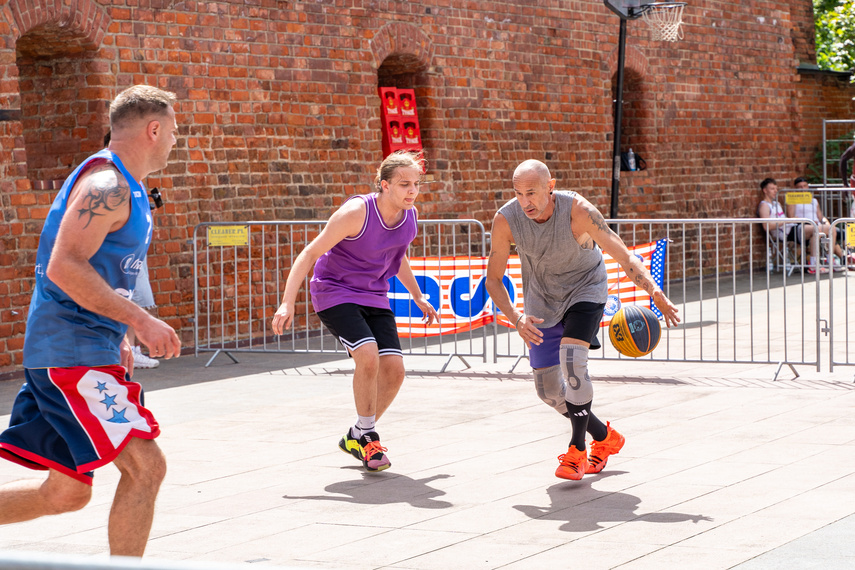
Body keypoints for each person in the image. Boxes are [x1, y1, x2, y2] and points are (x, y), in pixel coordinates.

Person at [0, 85, 181, 556]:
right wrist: (141, 321)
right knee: (147, 467)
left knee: (65, 493)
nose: (176, 141)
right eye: (174, 131)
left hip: (81, 349)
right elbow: (65, 266)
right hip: (70, 354)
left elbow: (106, 272)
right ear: (153, 129)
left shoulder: (129, 187)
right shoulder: (108, 186)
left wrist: (120, 331)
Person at [485, 159, 680, 481]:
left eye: (531, 193)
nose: (525, 201)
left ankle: (577, 451)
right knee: (548, 391)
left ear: (550, 187)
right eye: (518, 193)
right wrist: (517, 318)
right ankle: (605, 437)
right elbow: (493, 279)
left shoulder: (578, 211)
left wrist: (653, 290)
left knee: (572, 361)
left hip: (585, 290)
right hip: (542, 301)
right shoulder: (507, 219)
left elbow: (622, 254)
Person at [271, 150, 438, 472]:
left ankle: (358, 433)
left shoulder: (409, 216)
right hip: (334, 291)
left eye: (416, 184)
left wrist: (417, 296)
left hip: (374, 295)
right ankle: (369, 434)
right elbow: (309, 252)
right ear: (384, 185)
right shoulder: (356, 212)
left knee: (395, 370)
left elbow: (397, 256)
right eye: (404, 184)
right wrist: (286, 301)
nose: (413, 190)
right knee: (368, 354)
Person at [756, 178, 819, 273]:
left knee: (818, 230)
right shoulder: (764, 206)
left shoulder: (777, 204)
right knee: (814, 229)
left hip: (790, 228)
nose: (775, 191)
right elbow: (766, 226)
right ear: (765, 190)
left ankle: (815, 263)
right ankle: (814, 264)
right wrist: (787, 220)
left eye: (776, 188)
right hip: (783, 233)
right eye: (772, 189)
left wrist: (790, 220)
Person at [786, 177, 848, 271]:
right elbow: (791, 217)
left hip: (817, 225)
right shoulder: (792, 200)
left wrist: (827, 223)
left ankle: (831, 260)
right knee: (817, 229)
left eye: (804, 186)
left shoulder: (813, 200)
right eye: (800, 187)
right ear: (795, 188)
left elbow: (820, 216)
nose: (803, 189)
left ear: (808, 187)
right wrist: (807, 221)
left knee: (832, 229)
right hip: (801, 226)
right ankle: (814, 263)